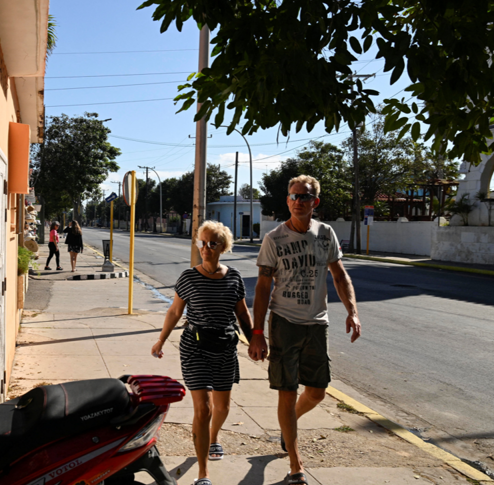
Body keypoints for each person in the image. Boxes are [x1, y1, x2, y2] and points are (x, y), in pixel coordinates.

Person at [248, 175, 362, 485]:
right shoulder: (274, 239)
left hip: (317, 323)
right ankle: (296, 466)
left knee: (317, 392)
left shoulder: (325, 234)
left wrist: (352, 311)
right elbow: (262, 287)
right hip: (284, 322)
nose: (299, 200)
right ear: (287, 201)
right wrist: (257, 332)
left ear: (315, 202)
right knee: (287, 392)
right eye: (294, 196)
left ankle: (290, 425)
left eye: (306, 196)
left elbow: (340, 276)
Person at [151, 221, 253, 485]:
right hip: (195, 346)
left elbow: (242, 312)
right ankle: (203, 473)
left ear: (223, 247)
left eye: (212, 244)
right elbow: (175, 311)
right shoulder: (189, 277)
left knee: (223, 406)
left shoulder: (234, 277)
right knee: (203, 408)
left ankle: (214, 437)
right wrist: (161, 339)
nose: (205, 248)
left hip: (225, 345)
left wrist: (254, 340)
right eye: (202, 243)